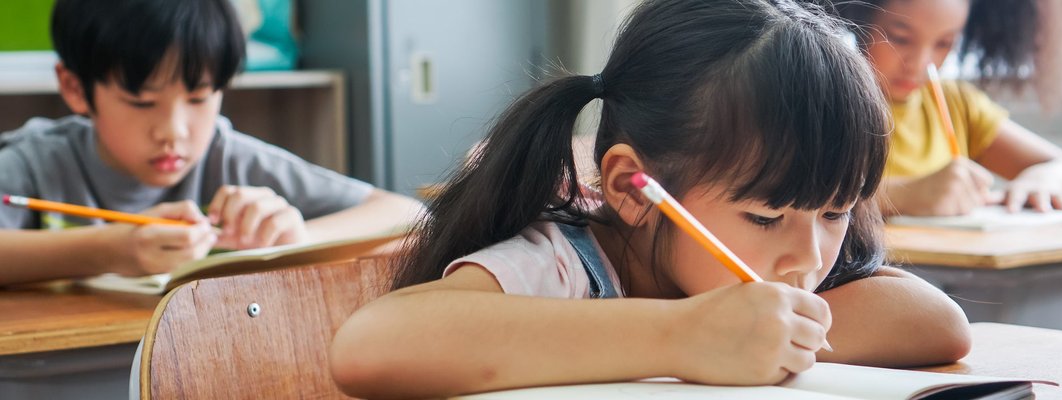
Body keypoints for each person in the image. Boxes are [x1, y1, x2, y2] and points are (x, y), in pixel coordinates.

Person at [330, 1, 970, 398]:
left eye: (834, 212)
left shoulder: (779, 267)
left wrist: (758, 336)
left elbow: (936, 322)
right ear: (633, 190)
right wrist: (683, 337)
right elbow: (370, 345)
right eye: (765, 216)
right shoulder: (560, 264)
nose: (806, 256)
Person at [0, 0, 425, 286]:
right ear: (74, 88)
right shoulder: (38, 161)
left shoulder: (227, 155)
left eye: (200, 97)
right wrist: (110, 249)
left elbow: (407, 213)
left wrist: (295, 238)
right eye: (142, 101)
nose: (174, 131)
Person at [833, 0, 1062, 216]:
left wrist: (1043, 181)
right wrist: (904, 195)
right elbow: (800, 197)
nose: (919, 63)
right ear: (859, 23)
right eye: (900, 38)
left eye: (944, 44)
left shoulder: (957, 105)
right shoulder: (826, 100)